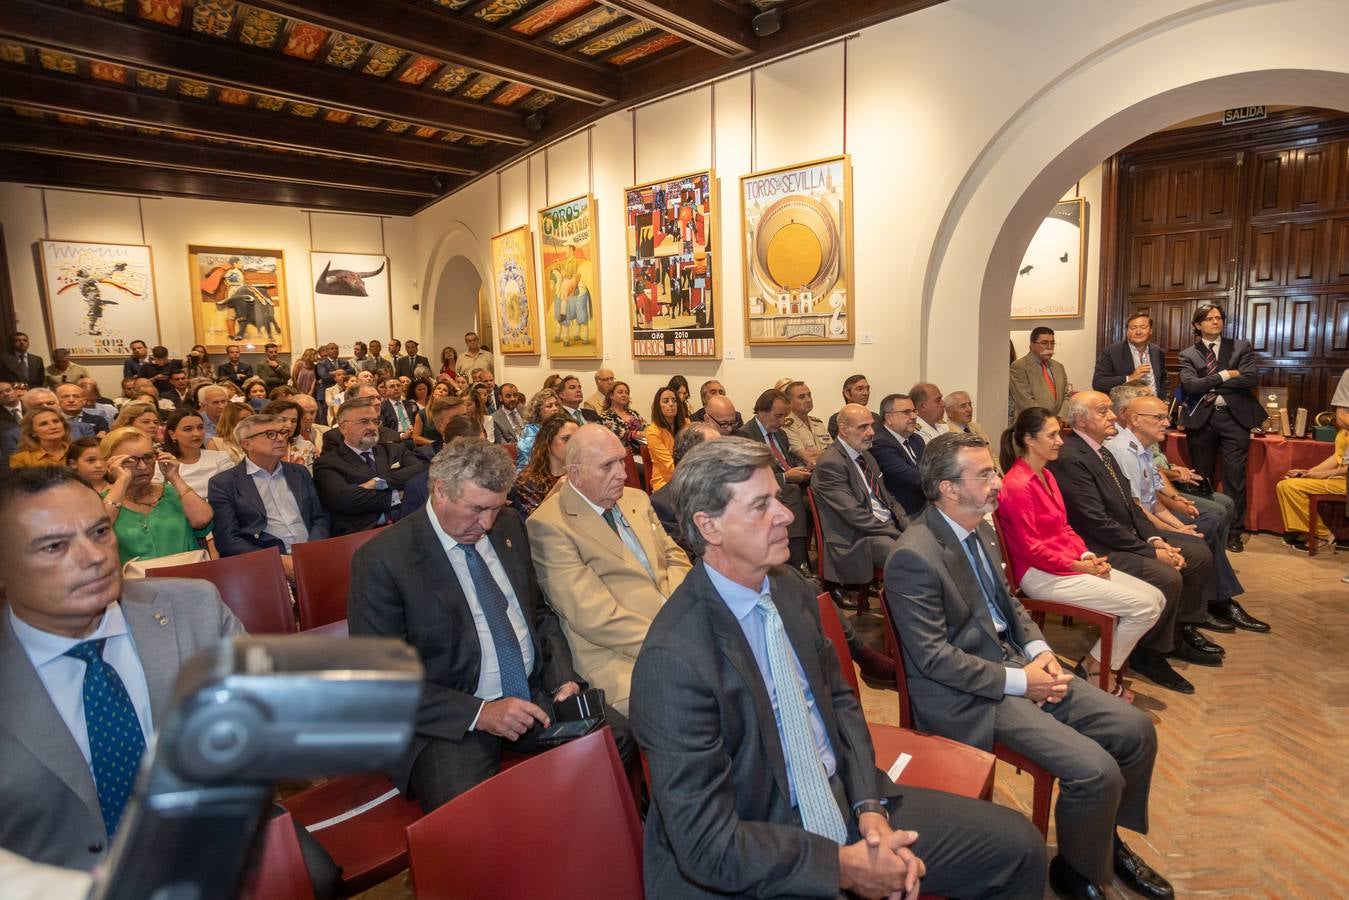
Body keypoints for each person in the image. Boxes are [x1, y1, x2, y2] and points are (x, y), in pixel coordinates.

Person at [630, 438, 1046, 900]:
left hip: (840, 797)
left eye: (778, 499)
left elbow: (841, 702)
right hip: (759, 843)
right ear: (709, 526)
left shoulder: (788, 588)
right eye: (761, 505)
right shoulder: (673, 660)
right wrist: (840, 867)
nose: (786, 515)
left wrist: (868, 804)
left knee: (1019, 848)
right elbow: (707, 844)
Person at [884, 432, 1171, 900]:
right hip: (970, 692)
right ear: (948, 488)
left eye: (994, 471)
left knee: (1135, 730)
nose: (998, 481)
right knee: (1095, 769)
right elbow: (933, 658)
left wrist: (1040, 653)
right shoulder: (914, 555)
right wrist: (1022, 682)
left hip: (1017, 663)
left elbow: (1010, 607)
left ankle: (1103, 841)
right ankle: (1078, 871)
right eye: (985, 475)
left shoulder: (978, 526)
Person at [348, 438, 634, 810]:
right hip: (451, 717)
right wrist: (480, 713)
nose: (485, 524)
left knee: (617, 740)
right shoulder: (383, 560)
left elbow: (540, 614)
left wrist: (563, 676)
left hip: (531, 692)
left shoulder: (508, 525)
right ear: (440, 492)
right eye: (476, 509)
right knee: (470, 814)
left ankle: (571, 840)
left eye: (495, 509)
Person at [0, 467, 245, 870]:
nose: (95, 557)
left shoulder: (194, 608)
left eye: (99, 532)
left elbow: (261, 726)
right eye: (54, 546)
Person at [1049, 391, 1218, 694]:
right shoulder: (1072, 457)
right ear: (1082, 420)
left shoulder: (1101, 450)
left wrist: (1155, 538)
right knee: (1167, 575)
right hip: (1096, 546)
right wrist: (1150, 550)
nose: (1114, 416)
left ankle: (1176, 633)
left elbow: (1132, 506)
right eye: (1104, 412)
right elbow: (1094, 522)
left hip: (1120, 535)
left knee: (1198, 553)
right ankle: (1148, 653)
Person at [995, 407, 1165, 698]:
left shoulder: (1046, 475)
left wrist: (1086, 557)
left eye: (1059, 434)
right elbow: (1031, 548)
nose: (1060, 441)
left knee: (1156, 598)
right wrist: (1076, 565)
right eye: (1052, 435)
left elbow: (1065, 527)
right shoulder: (1017, 485)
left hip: (1066, 565)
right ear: (1030, 440)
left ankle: (1094, 663)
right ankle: (1097, 668)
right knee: (1144, 607)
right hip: (1040, 574)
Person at [526, 425, 691, 714]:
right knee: (698, 700)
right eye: (607, 466)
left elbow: (675, 558)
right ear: (574, 473)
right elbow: (594, 617)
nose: (623, 474)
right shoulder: (548, 525)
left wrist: (687, 615)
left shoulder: (636, 499)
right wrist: (674, 639)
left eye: (621, 460)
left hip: (680, 628)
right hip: (620, 657)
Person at [1108, 392, 1269, 633]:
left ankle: (1214, 602)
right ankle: (1205, 608)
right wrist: (1175, 528)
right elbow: (1137, 509)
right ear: (1135, 420)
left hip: (1150, 517)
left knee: (1208, 522)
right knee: (1203, 533)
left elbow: (1155, 498)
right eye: (1159, 417)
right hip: (1138, 526)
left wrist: (1178, 524)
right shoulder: (1123, 451)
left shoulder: (1142, 448)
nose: (1168, 423)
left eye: (1166, 416)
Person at [1178, 303, 1263, 553]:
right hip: (1201, 420)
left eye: (1219, 318)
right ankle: (1206, 526)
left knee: (1234, 477)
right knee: (1201, 477)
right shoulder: (1187, 354)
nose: (1216, 322)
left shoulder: (1240, 347)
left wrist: (1208, 384)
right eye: (1209, 318)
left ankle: (1233, 532)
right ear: (1197, 325)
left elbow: (1250, 378)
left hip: (1235, 419)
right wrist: (1226, 376)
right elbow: (1190, 386)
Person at [208, 413, 330, 577]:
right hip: (264, 566)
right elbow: (228, 541)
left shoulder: (299, 472)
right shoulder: (225, 483)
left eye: (282, 433)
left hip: (313, 556)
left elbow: (320, 517)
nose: (280, 439)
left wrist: (312, 549)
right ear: (247, 444)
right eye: (270, 434)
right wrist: (276, 561)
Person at [99, 427, 213, 566]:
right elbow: (97, 534)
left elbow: (203, 519)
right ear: (109, 463)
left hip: (186, 579)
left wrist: (175, 477)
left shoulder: (172, 492)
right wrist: (122, 480)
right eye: (130, 460)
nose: (142, 466)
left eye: (148, 457)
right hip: (134, 584)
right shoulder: (101, 503)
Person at [313, 398, 425, 535]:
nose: (372, 427)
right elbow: (346, 499)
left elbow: (420, 471)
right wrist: (400, 493)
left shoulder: (395, 450)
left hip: (408, 526)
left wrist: (377, 483)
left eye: (375, 421)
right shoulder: (327, 463)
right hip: (361, 534)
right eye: (364, 422)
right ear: (343, 427)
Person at [735, 389, 812, 571]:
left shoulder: (781, 434)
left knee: (823, 493)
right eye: (778, 416)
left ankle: (837, 573)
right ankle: (800, 563)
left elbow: (788, 464)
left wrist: (805, 469)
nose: (782, 422)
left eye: (785, 416)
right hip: (765, 493)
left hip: (791, 487)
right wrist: (786, 477)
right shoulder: (745, 435)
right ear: (762, 412)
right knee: (793, 493)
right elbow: (749, 478)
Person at [650, 422, 719, 553]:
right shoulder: (662, 505)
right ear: (693, 458)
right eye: (717, 451)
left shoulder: (727, 487)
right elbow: (686, 557)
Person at [870, 392, 927, 516]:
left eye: (914, 411)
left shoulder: (916, 439)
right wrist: (945, 482)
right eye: (906, 412)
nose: (913, 416)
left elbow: (932, 468)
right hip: (905, 513)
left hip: (927, 506)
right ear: (889, 418)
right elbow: (915, 480)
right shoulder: (880, 444)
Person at [510, 414, 576, 518]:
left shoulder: (581, 475)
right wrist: (556, 490)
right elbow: (532, 523)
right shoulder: (527, 481)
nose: (573, 444)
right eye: (566, 438)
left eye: (577, 439)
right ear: (548, 441)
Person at [1093, 312, 1168, 398]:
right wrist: (1130, 378)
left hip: (1154, 406)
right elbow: (1098, 383)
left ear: (1150, 330)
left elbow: (1163, 380)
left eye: (1143, 327)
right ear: (1127, 331)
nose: (1138, 332)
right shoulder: (1111, 352)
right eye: (1133, 328)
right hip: (1126, 407)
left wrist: (1164, 400)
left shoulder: (1157, 352)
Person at [160, 408, 232, 497]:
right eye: (188, 429)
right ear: (172, 434)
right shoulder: (164, 464)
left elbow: (229, 494)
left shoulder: (221, 458)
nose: (197, 433)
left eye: (200, 427)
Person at [1010, 326, 1070, 417]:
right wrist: (1047, 421)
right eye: (1044, 343)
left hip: (1057, 424)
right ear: (1032, 345)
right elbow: (1025, 401)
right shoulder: (1019, 366)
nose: (1050, 347)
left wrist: (1060, 418)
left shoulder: (1058, 367)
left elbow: (1066, 395)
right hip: (1032, 424)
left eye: (1052, 343)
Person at [643, 386, 688, 491]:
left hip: (686, 476)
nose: (671, 404)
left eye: (674, 400)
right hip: (664, 482)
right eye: (665, 401)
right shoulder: (653, 432)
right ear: (658, 406)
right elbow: (669, 464)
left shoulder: (686, 424)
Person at [780, 380, 832, 465]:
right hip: (807, 475)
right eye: (801, 397)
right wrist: (828, 453)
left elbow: (835, 452)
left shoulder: (818, 423)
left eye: (809, 395)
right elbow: (807, 457)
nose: (808, 400)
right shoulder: (786, 425)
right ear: (789, 402)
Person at [260, 399, 316, 471]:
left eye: (293, 421)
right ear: (268, 420)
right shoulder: (256, 446)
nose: (289, 425)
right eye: (283, 420)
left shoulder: (306, 447)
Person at [514, 389, 562, 468]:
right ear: (538, 410)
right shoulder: (530, 431)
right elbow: (529, 461)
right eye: (549, 406)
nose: (555, 409)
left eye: (557, 405)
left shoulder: (561, 428)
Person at [598, 379, 646, 454]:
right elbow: (620, 434)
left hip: (641, 453)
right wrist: (639, 434)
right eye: (620, 392)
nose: (624, 395)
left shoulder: (633, 413)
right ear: (611, 396)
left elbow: (646, 427)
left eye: (626, 393)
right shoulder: (605, 416)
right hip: (620, 455)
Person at [826, 374, 881, 439]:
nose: (866, 393)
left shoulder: (876, 418)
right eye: (860, 389)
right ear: (847, 394)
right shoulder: (837, 419)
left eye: (867, 389)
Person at [413, 382, 458, 448]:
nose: (441, 391)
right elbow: (416, 438)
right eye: (438, 388)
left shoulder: (451, 413)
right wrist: (436, 444)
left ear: (448, 396)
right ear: (433, 393)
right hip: (430, 449)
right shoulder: (422, 414)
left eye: (445, 390)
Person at [379, 377, 418, 442]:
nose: (396, 388)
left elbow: (418, 421)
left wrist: (415, 430)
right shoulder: (382, 407)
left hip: (414, 437)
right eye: (392, 386)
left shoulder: (411, 404)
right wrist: (402, 435)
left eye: (398, 385)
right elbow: (383, 429)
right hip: (396, 440)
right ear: (386, 390)